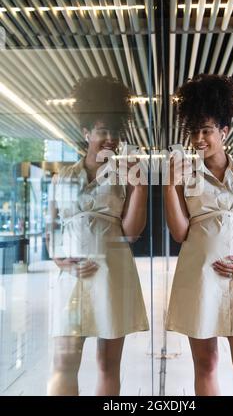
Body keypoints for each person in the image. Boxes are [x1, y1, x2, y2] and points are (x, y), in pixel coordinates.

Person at [164, 74, 233, 396]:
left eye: (206, 130)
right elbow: (180, 232)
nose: (198, 138)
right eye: (193, 131)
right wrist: (169, 184)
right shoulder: (184, 177)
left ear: (224, 131)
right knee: (206, 364)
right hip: (199, 278)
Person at [47, 75, 149, 396]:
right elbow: (51, 230)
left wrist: (140, 186)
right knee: (64, 362)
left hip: (111, 274)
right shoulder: (62, 177)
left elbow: (131, 233)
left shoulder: (124, 175)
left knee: (107, 364)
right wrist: (60, 261)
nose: (109, 139)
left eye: (115, 133)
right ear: (86, 132)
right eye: (103, 131)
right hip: (71, 278)